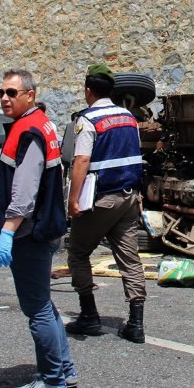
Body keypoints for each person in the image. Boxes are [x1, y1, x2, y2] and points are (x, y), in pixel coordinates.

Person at [0, 69, 76, 388]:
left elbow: (24, 193)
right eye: (1, 92)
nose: (5, 98)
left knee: (36, 308)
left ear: (30, 96)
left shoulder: (28, 131)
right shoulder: (41, 125)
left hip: (30, 233)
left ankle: (53, 378)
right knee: (44, 303)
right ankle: (64, 369)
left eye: (12, 92)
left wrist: (7, 231)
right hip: (45, 227)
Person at [65, 64, 148, 343]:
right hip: (129, 197)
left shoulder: (88, 120)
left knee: (77, 252)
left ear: (88, 90)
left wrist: (72, 200)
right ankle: (136, 324)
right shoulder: (128, 117)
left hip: (100, 199)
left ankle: (89, 316)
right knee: (129, 258)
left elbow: (81, 161)